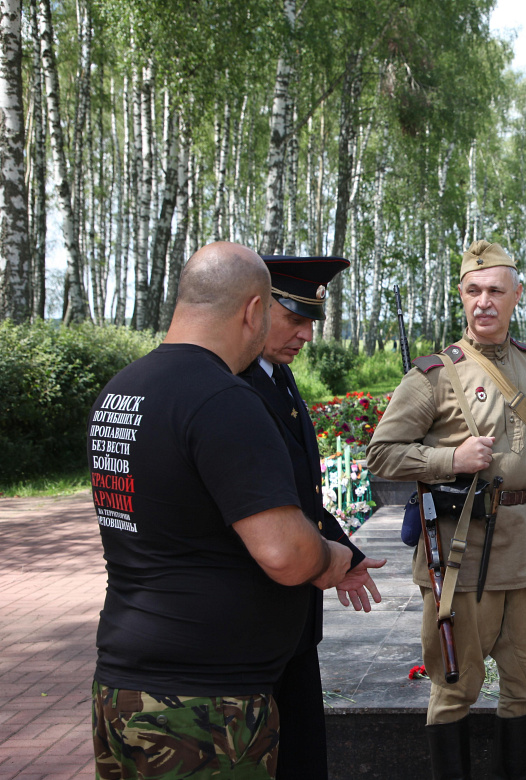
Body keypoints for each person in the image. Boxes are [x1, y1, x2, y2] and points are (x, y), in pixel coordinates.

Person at [89, 242, 353, 779]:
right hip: (202, 704)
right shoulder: (223, 399)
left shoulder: (121, 390)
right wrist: (329, 558)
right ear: (255, 310)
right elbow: (284, 553)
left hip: (124, 683)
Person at [366, 240, 526, 780]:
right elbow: (382, 454)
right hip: (459, 558)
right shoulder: (435, 375)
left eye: (495, 291)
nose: (484, 302)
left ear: (516, 295)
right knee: (454, 686)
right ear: (461, 296)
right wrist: (450, 459)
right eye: (473, 290)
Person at [238, 254, 387, 780]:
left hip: (293, 619)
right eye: (294, 319)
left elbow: (300, 493)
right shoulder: (234, 388)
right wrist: (326, 558)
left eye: (310, 322)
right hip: (255, 619)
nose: (305, 335)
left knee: (302, 756)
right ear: (256, 309)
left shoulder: (276, 376)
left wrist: (345, 553)